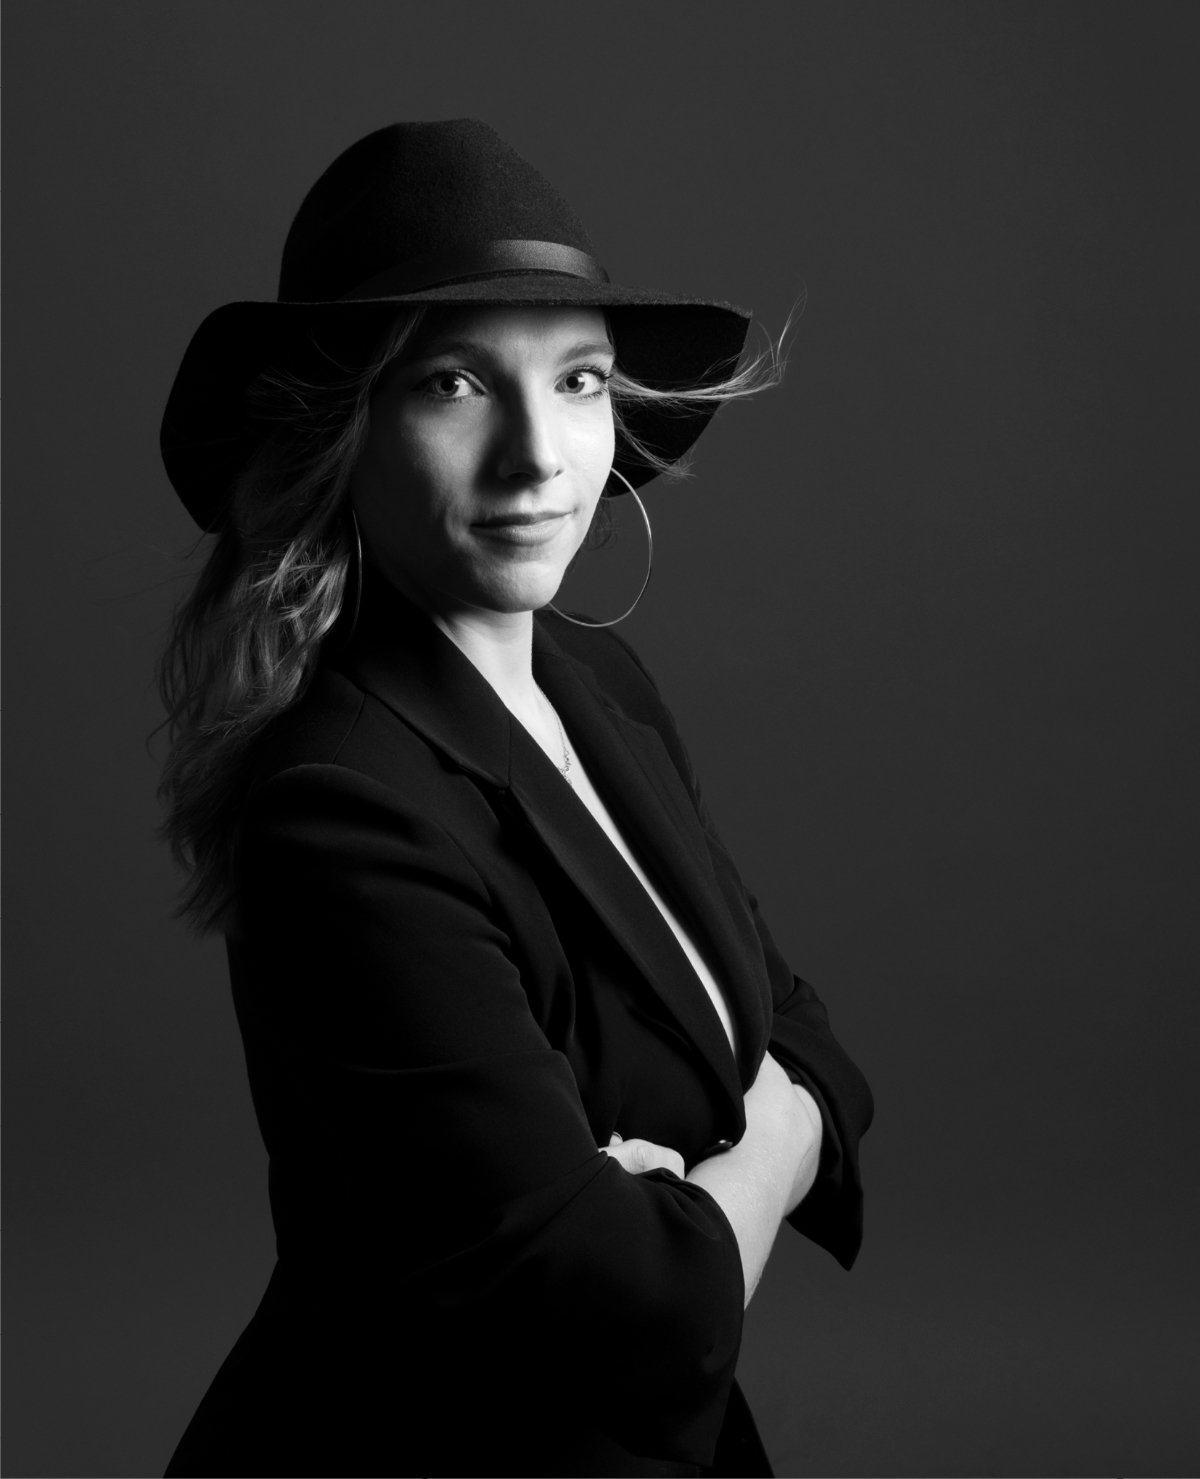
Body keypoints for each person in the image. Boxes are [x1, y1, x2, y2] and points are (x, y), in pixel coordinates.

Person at [157, 119, 873, 1479]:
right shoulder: (340, 806)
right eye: (454, 384)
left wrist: (703, 1194)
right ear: (343, 427)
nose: (539, 453)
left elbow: (804, 1032)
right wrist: (774, 1141)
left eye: (579, 379)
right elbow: (639, 1314)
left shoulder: (602, 687)